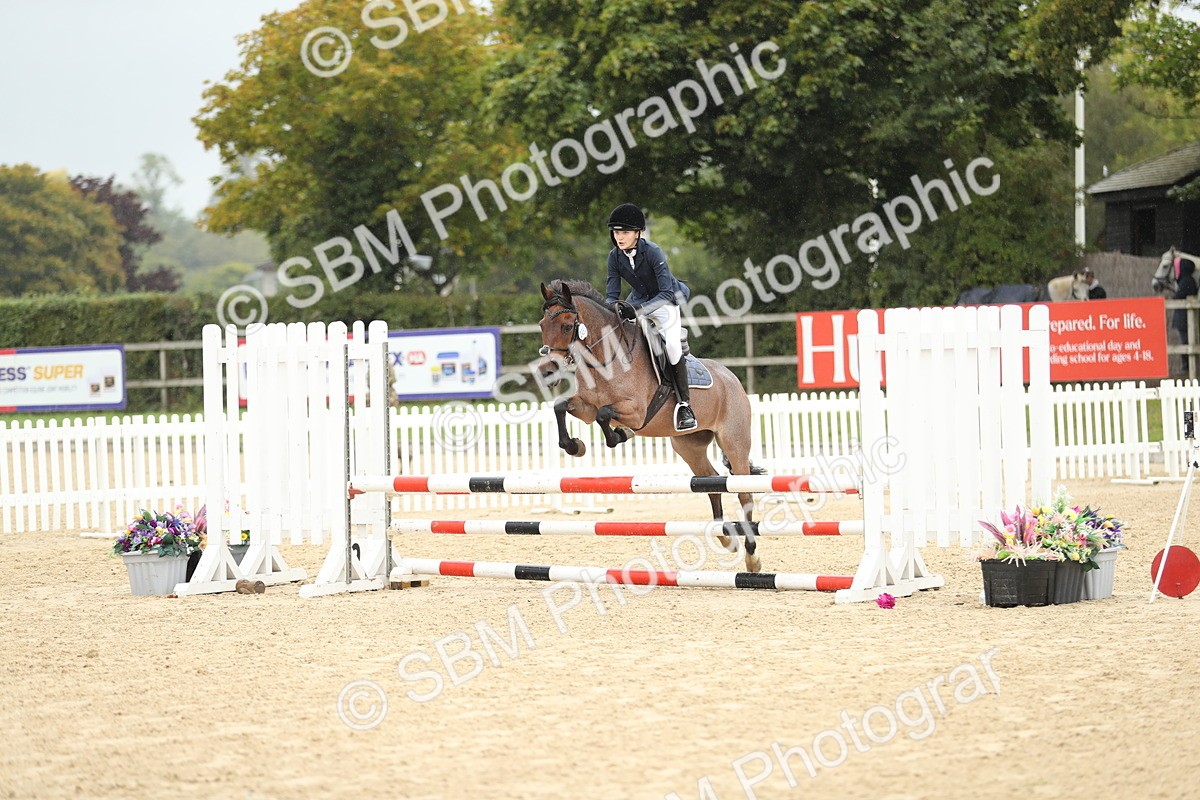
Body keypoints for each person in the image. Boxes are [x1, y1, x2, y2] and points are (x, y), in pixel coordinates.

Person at [603, 202, 696, 431]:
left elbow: (665, 293)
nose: (619, 237)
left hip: (665, 302)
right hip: (638, 300)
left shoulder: (653, 251)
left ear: (638, 233)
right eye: (616, 232)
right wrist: (609, 313)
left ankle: (685, 406)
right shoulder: (614, 257)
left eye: (625, 232)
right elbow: (612, 295)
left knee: (672, 346)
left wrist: (637, 310)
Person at [1173, 258, 1199, 374]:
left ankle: (1187, 368)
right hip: (1185, 319)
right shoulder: (1189, 280)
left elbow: (1178, 297)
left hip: (1184, 319)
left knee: (1186, 342)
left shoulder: (1186, 281)